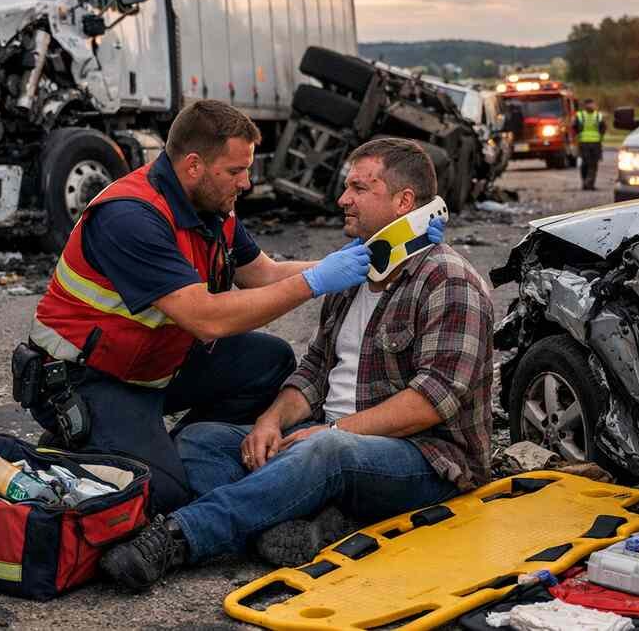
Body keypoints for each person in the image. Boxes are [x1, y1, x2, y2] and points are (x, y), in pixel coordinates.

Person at [99, 137, 494, 592]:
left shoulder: (450, 279)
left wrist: (333, 434)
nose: (342, 198)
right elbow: (313, 371)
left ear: (404, 201)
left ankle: (176, 539)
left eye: (359, 188)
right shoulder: (354, 274)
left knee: (323, 455)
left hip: (427, 461)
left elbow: (430, 403)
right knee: (199, 441)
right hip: (331, 440)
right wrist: (269, 422)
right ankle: (306, 524)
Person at [24, 99, 383, 514]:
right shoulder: (131, 216)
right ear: (193, 166)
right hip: (87, 378)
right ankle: (80, 449)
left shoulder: (211, 207)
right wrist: (315, 282)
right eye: (236, 171)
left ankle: (158, 447)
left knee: (270, 362)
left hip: (151, 366)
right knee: (161, 494)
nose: (245, 182)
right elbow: (206, 319)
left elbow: (261, 274)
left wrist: (353, 260)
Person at [573, 98, 605, 190]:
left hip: (589, 143)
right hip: (589, 143)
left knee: (590, 164)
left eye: (592, 104)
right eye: (590, 104)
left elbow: (574, 127)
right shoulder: (582, 115)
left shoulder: (597, 115)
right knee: (589, 164)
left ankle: (588, 183)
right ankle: (588, 183)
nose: (591, 106)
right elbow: (603, 128)